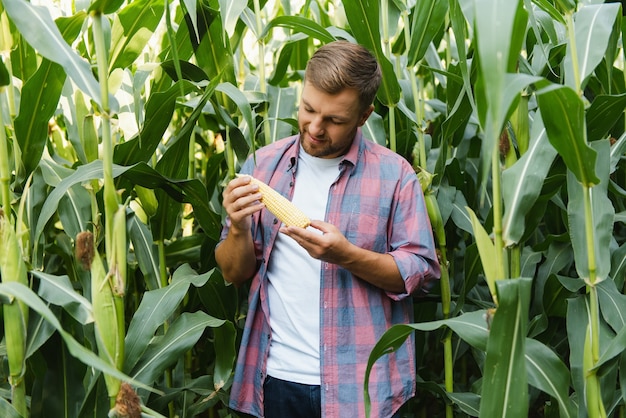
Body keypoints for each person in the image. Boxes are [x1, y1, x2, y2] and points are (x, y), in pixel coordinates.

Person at [215, 40, 440, 418]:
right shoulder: (262, 165)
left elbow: (420, 273)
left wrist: (345, 256)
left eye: (334, 120)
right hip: (275, 381)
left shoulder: (395, 175)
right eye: (308, 109)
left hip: (361, 389)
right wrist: (238, 227)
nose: (315, 128)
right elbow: (233, 272)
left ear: (365, 115)